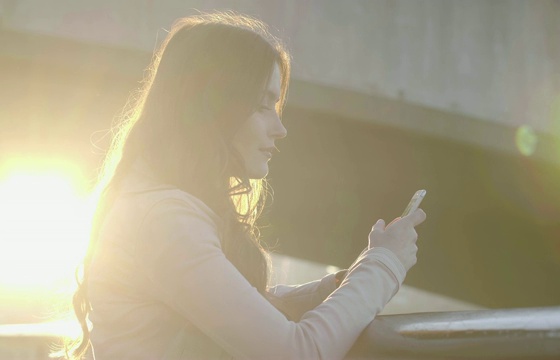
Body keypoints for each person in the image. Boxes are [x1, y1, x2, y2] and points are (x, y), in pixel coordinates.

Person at [63, 11, 426, 360]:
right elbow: (295, 352)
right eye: (263, 105)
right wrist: (384, 264)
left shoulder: (155, 208)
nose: (280, 129)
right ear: (214, 108)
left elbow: (241, 306)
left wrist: (339, 284)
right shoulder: (164, 220)